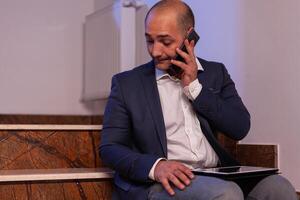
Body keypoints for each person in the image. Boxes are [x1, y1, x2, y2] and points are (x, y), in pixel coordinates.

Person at [99, 0, 297, 199]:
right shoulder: (127, 84)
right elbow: (110, 148)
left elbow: (240, 127)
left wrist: (195, 88)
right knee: (227, 193)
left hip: (215, 174)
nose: (155, 51)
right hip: (162, 183)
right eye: (150, 40)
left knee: (279, 187)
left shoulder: (215, 73)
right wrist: (156, 166)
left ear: (189, 37)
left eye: (165, 42)